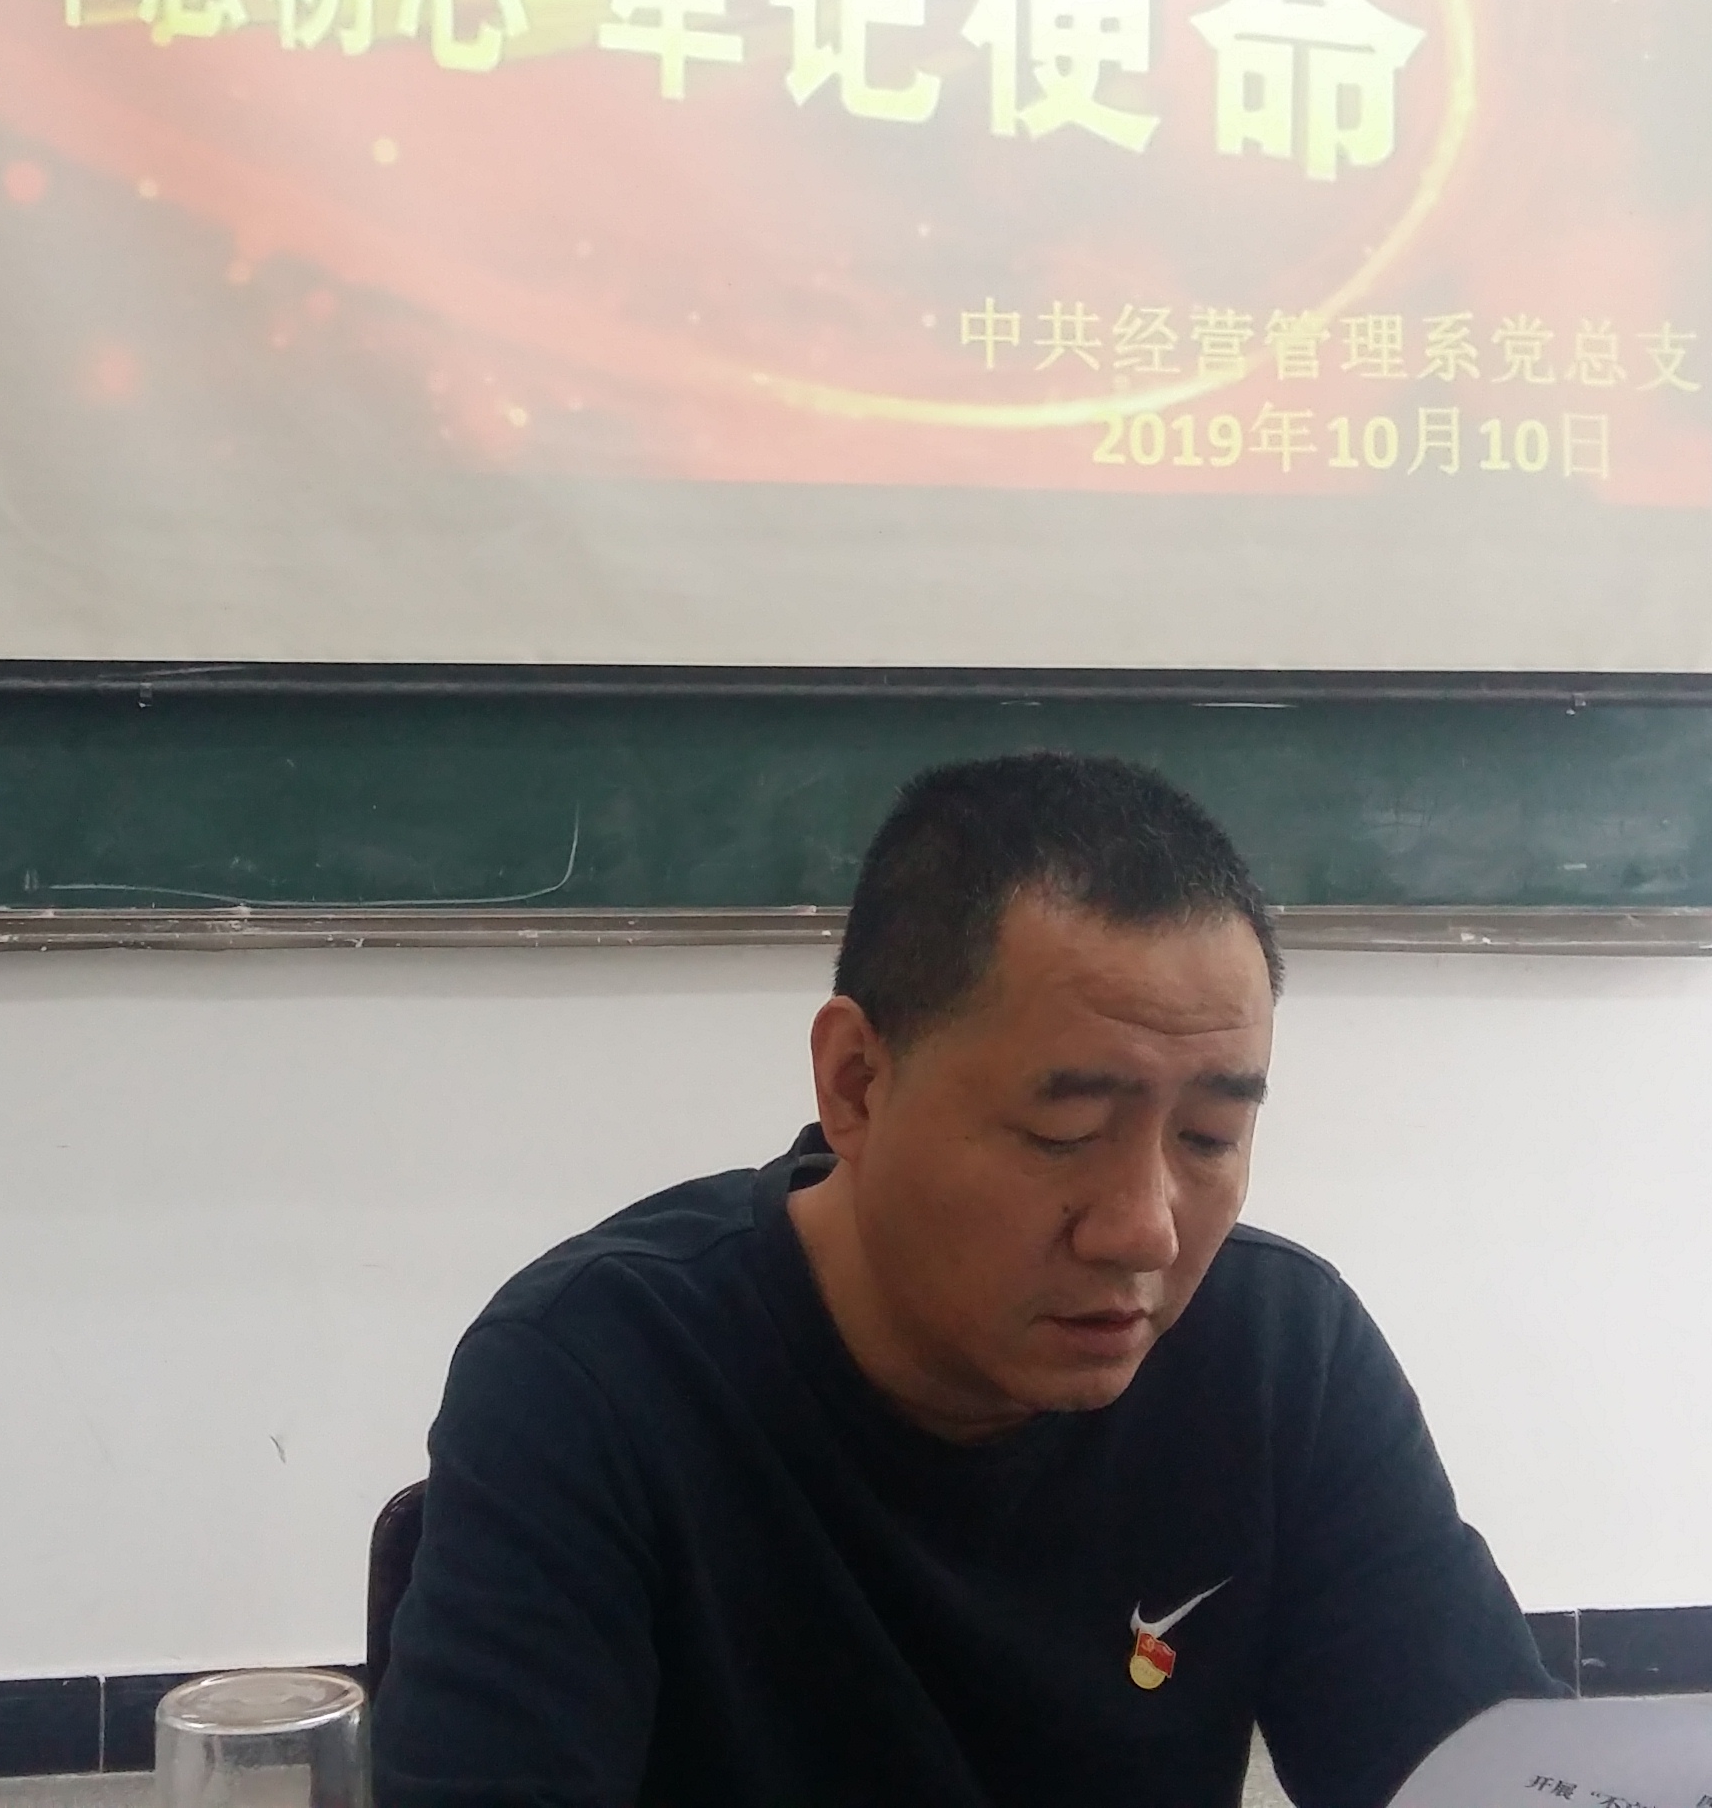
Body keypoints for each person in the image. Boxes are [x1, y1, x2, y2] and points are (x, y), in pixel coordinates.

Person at [376, 753, 1554, 1808]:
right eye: (1064, 1133)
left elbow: (1486, 1776)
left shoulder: (1283, 1356)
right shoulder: (595, 1374)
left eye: (1208, 1138)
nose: (1143, 1231)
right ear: (856, 1084)